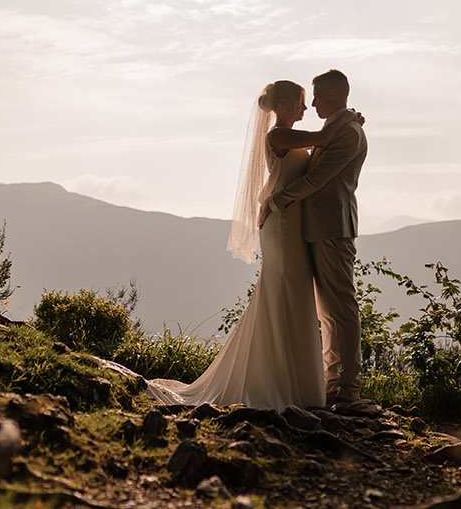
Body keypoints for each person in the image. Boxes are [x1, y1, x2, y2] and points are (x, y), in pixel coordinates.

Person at [146, 80, 360, 411]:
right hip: (282, 222)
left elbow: (324, 148)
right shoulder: (278, 135)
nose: (307, 107)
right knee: (283, 293)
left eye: (311, 99)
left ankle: (296, 380)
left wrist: (349, 119)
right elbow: (325, 138)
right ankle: (282, 381)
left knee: (292, 297)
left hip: (292, 223)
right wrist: (350, 118)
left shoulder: (292, 135)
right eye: (302, 102)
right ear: (286, 104)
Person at [260, 69, 368, 406]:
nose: (314, 103)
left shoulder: (347, 132)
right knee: (327, 312)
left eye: (318, 97)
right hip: (312, 228)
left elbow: (318, 178)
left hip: (333, 228)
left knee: (341, 307)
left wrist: (275, 201)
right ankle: (332, 382)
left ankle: (348, 387)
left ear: (333, 95)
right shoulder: (333, 129)